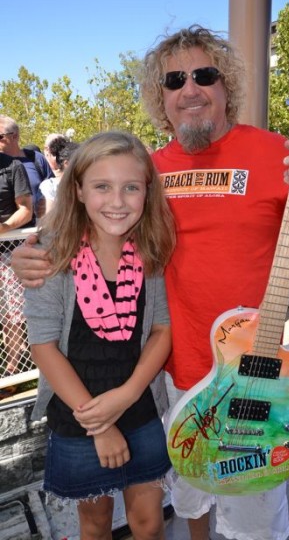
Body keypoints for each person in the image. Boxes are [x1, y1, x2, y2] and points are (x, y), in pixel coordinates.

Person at [12, 25, 289, 540]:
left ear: (226, 86)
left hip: (251, 372)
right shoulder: (148, 170)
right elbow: (91, 231)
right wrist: (30, 258)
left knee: (253, 508)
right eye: (174, 81)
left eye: (205, 75)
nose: (190, 89)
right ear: (160, 98)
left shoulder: (277, 154)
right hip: (167, 376)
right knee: (190, 495)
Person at [22, 131, 175, 540]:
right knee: (95, 523)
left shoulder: (151, 250)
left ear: (147, 191)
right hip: (79, 414)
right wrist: (100, 425)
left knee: (149, 521)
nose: (117, 201)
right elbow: (43, 345)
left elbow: (161, 329)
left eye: (131, 188)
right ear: (78, 190)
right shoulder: (51, 253)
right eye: (102, 187)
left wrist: (126, 396)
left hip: (139, 406)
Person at [0, 152, 33, 376]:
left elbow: (26, 209)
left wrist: (3, 227)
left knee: (13, 314)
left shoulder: (12, 166)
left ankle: (14, 368)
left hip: (9, 252)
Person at [0, 116, 54, 222]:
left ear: (14, 136)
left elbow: (53, 191)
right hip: (6, 234)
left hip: (34, 229)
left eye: (0, 137)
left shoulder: (36, 158)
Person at [39, 138, 79, 214]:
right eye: (79, 161)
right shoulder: (50, 187)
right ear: (66, 164)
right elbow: (48, 218)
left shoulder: (83, 185)